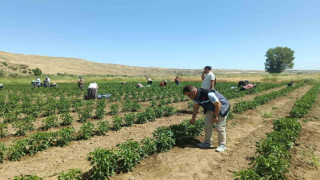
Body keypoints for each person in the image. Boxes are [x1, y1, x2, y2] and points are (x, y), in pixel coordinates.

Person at [183, 85, 230, 152]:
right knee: (207, 125)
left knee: (219, 127)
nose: (189, 97)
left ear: (194, 91)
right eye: (188, 96)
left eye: (189, 95)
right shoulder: (194, 96)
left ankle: (222, 145)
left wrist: (215, 116)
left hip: (222, 107)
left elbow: (218, 104)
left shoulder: (209, 94)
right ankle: (207, 143)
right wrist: (193, 118)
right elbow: (196, 106)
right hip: (210, 108)